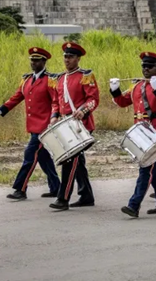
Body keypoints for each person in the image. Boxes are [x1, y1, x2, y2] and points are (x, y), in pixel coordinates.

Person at [0, 47, 60, 200]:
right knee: (43, 157)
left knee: (30, 155)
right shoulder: (27, 80)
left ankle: (20, 189)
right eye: (31, 60)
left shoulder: (50, 80)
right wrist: (1, 110)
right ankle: (56, 188)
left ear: (44, 61)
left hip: (44, 127)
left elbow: (56, 101)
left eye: (36, 60)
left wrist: (54, 117)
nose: (33, 63)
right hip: (33, 125)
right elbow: (16, 97)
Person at [111, 52, 156, 217]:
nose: (146, 69)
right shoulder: (137, 85)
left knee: (146, 169)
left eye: (150, 66)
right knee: (155, 171)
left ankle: (134, 204)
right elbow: (123, 102)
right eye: (144, 66)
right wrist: (115, 91)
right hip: (141, 134)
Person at [48, 42, 99, 211]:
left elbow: (93, 100)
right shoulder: (60, 78)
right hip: (65, 124)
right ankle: (86, 196)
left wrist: (83, 111)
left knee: (70, 160)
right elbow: (56, 101)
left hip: (80, 124)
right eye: (65, 56)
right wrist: (54, 116)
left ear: (78, 58)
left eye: (70, 57)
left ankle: (63, 198)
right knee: (77, 161)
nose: (67, 59)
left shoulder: (85, 76)